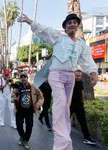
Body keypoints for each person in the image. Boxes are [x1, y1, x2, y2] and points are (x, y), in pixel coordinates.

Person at [18, 13, 98, 150]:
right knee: (60, 104)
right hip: (56, 74)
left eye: (74, 22)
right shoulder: (58, 37)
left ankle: (65, 144)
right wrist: (29, 21)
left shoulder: (81, 45)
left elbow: (87, 60)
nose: (72, 24)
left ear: (78, 25)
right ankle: (61, 144)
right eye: (69, 23)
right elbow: (44, 30)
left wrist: (93, 72)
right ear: (65, 27)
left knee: (65, 108)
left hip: (71, 77)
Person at [12, 73, 44, 149]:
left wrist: (38, 104)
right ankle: (22, 137)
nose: (23, 79)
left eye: (24, 77)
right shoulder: (17, 87)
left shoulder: (33, 87)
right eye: (21, 77)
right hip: (19, 110)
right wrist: (14, 98)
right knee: (19, 126)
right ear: (20, 79)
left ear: (27, 78)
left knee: (29, 127)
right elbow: (12, 97)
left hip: (29, 110)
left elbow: (41, 97)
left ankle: (25, 140)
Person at [70, 70, 97, 145]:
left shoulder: (80, 82)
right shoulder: (70, 83)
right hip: (70, 106)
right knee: (64, 121)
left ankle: (87, 138)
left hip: (79, 106)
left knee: (83, 122)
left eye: (79, 76)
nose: (78, 77)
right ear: (73, 75)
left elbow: (82, 92)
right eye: (77, 76)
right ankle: (62, 135)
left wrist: (83, 101)